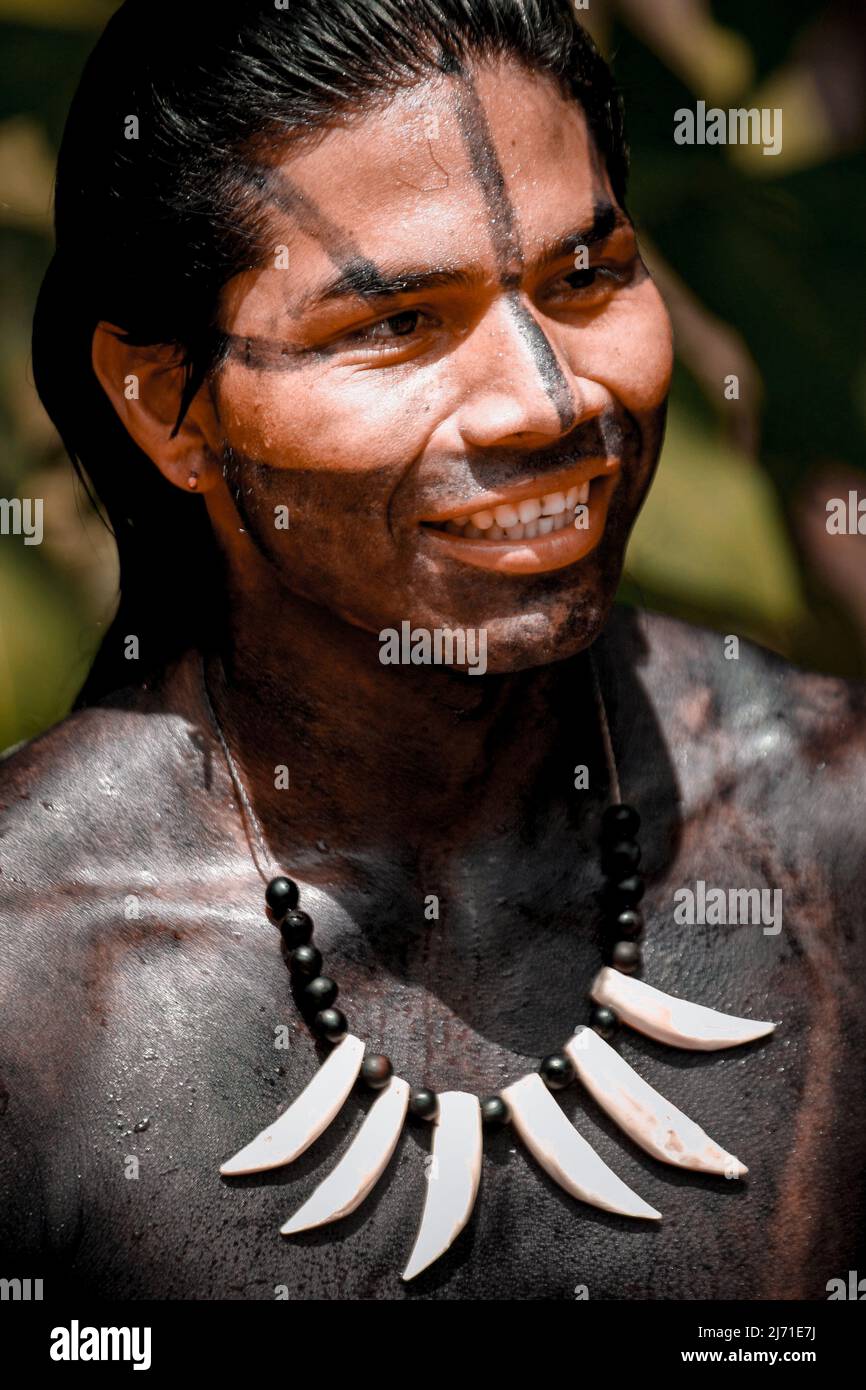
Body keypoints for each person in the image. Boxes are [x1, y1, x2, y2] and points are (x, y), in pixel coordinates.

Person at [1, 0, 864, 1301]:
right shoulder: (35, 965)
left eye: (583, 279)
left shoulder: (830, 828)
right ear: (165, 404)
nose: (548, 398)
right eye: (394, 324)